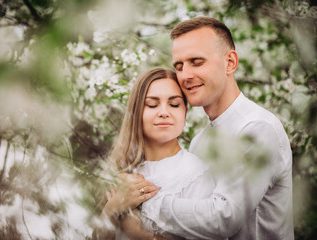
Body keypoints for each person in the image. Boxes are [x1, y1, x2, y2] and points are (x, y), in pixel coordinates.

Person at [121, 17, 294, 239]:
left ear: (230, 63)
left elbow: (223, 218)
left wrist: (140, 200)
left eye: (197, 62)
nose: (185, 75)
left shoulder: (257, 128)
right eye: (179, 66)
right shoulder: (200, 141)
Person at [93, 67, 216, 239]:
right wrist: (111, 211)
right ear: (136, 112)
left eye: (174, 104)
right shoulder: (120, 168)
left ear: (185, 112)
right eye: (152, 104)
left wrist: (140, 235)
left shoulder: (196, 174)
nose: (164, 113)